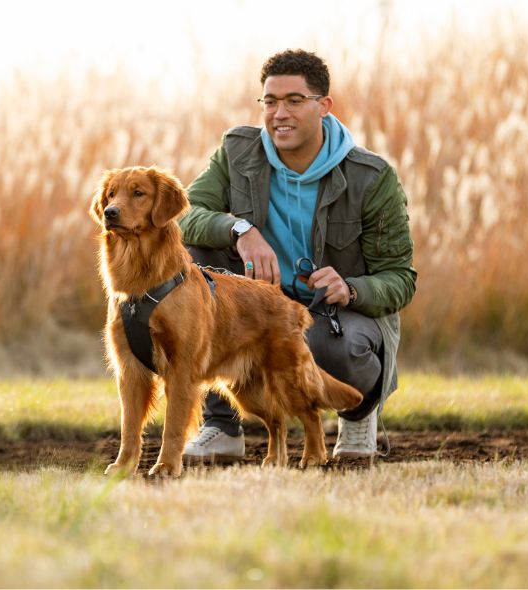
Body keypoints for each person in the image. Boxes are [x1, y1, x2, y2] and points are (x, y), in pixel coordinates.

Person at [178, 49, 417, 460]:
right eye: (270, 102)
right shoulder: (237, 152)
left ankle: (358, 417)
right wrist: (240, 229)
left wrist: (352, 288)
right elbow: (184, 217)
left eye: (294, 100)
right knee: (194, 253)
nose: (279, 113)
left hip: (332, 316)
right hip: (259, 309)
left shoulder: (372, 177)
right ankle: (222, 426)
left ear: (324, 106)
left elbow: (400, 278)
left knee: (333, 348)